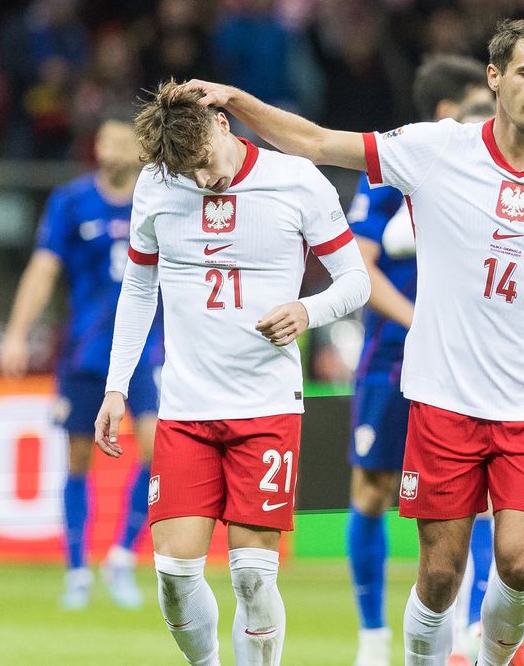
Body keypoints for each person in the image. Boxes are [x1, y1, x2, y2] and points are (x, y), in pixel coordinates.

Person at [185, 17, 524, 666]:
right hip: (444, 397)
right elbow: (315, 140)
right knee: (442, 574)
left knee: (523, 564)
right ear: (495, 77)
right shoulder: (436, 148)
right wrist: (239, 101)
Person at [93, 81, 370, 666]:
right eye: (186, 173)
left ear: (224, 124)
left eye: (206, 166)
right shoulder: (158, 184)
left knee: (251, 576)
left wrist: (306, 310)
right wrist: (117, 384)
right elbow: (140, 285)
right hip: (187, 408)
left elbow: (355, 281)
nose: (202, 182)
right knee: (172, 575)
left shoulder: (295, 181)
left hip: (266, 405)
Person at [344, 54, 494, 666]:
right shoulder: (394, 170)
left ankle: (476, 632)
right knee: (373, 491)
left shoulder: (497, 176)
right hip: (391, 359)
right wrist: (420, 321)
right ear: (447, 112)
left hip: (466, 365)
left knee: (476, 495)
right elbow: (359, 264)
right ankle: (374, 637)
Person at [0, 118, 163, 611]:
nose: (108, 149)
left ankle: (121, 557)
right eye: (103, 140)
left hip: (147, 347)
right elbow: (43, 269)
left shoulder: (157, 200)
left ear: (141, 151)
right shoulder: (71, 201)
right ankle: (76, 570)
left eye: (120, 141)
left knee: (158, 450)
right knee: (78, 457)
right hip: (87, 349)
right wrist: (18, 333)